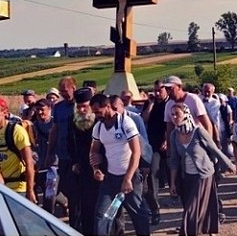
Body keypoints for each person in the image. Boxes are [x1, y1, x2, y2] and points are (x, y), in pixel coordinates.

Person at [169, 103, 235, 235]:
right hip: (186, 176)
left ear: (186, 115)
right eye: (172, 114)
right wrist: (172, 183)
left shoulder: (198, 131)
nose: (174, 117)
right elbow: (174, 160)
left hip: (203, 175)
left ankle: (187, 233)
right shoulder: (174, 135)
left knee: (191, 209)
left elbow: (214, 149)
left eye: (177, 114)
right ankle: (209, 229)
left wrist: (228, 164)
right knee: (198, 206)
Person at [90, 93, 151, 236]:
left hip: (129, 177)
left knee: (138, 213)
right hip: (110, 178)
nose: (96, 115)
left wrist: (128, 178)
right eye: (94, 112)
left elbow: (136, 152)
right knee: (102, 215)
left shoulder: (125, 122)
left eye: (98, 111)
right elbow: (93, 151)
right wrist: (95, 169)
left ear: (107, 106)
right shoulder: (98, 127)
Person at [0, 96, 37, 203]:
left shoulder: (16, 131)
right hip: (0, 188)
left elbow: (30, 164)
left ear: (4, 113)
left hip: (19, 188)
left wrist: (30, 191)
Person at [45, 78, 80, 223]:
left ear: (74, 88)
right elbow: (55, 130)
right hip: (62, 155)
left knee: (75, 193)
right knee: (65, 188)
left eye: (65, 91)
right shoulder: (58, 108)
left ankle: (75, 223)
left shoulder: (81, 106)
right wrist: (49, 153)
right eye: (61, 92)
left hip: (77, 157)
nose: (63, 94)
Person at [66, 89, 100, 234]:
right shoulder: (73, 120)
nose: (81, 109)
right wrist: (74, 161)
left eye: (84, 106)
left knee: (101, 205)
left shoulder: (99, 119)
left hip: (101, 168)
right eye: (78, 106)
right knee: (84, 205)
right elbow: (69, 142)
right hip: (82, 169)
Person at [141, 81, 170, 225]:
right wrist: (151, 104)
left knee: (174, 175)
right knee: (152, 174)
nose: (158, 93)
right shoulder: (150, 104)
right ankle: (155, 209)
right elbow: (144, 119)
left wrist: (168, 139)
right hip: (153, 145)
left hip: (169, 143)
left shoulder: (170, 103)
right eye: (155, 90)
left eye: (160, 90)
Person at [163, 76, 213, 148]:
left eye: (171, 88)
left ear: (179, 87)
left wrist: (208, 146)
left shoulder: (193, 99)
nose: (168, 91)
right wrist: (169, 150)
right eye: (166, 89)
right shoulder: (168, 105)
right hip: (180, 143)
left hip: (196, 141)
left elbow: (207, 125)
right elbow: (169, 129)